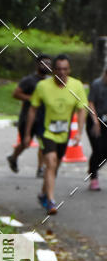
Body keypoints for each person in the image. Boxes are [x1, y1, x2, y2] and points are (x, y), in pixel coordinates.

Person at [25, 53, 88, 214]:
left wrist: (79, 132)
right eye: (58, 69)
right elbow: (32, 109)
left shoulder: (77, 86)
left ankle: (42, 193)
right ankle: (51, 201)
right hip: (46, 132)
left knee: (54, 167)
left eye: (65, 69)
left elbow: (82, 110)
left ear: (69, 70)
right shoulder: (43, 87)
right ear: (53, 70)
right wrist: (27, 134)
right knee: (51, 163)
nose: (62, 72)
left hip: (63, 133)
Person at [7, 53, 52, 176]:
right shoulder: (28, 80)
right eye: (44, 63)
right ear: (38, 64)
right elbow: (15, 94)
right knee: (25, 143)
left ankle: (40, 168)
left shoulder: (50, 81)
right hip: (27, 117)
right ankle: (13, 157)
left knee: (43, 142)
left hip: (43, 117)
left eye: (49, 63)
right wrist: (31, 98)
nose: (47, 66)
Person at [86, 63, 107, 191]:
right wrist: (95, 122)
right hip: (94, 120)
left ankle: (92, 169)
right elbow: (91, 103)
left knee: (105, 152)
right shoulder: (97, 84)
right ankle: (94, 178)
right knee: (98, 149)